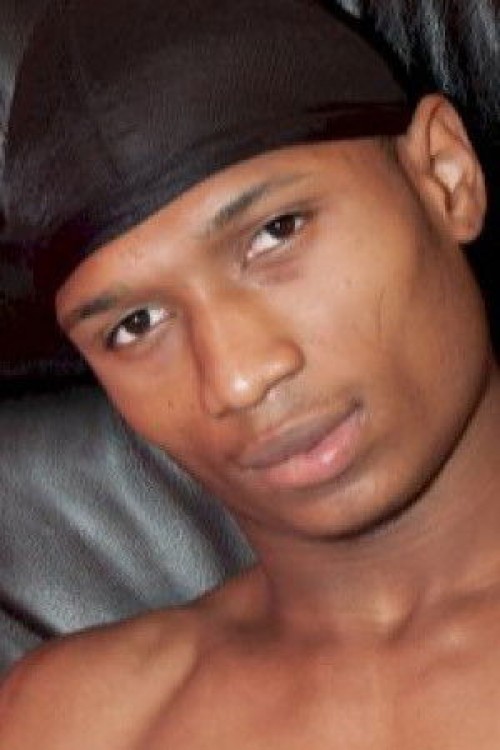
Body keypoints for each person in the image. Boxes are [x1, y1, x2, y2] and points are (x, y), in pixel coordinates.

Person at [0, 0, 499, 746]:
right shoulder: (73, 721)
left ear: (445, 176)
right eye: (135, 325)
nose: (236, 378)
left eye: (276, 233)